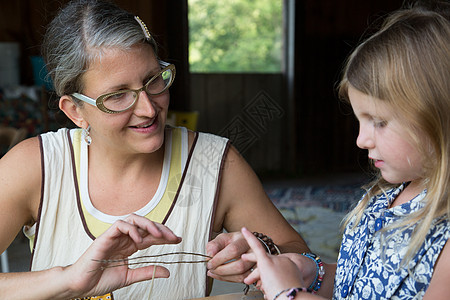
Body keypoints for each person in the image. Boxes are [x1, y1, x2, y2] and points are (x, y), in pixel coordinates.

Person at [0, 0, 309, 299]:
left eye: (153, 80)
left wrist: (264, 252)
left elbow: (306, 262)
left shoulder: (216, 163)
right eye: (118, 96)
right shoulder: (36, 166)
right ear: (75, 111)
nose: (148, 108)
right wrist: (67, 281)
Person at [239, 1, 450, 299]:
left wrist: (289, 294)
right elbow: (362, 286)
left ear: (440, 116)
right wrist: (312, 273)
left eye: (379, 122)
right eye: (360, 120)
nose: (361, 140)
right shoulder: (383, 199)